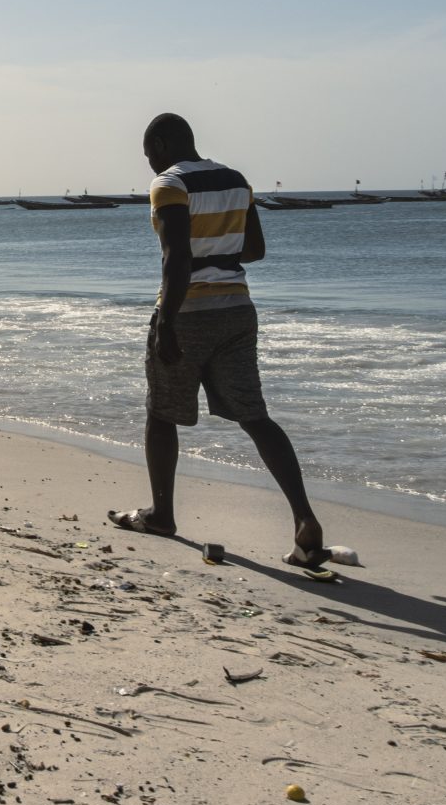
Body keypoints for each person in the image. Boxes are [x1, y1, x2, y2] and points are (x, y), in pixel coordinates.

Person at [108, 112, 332, 571]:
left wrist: (166, 323)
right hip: (237, 311)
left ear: (165, 144)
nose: (149, 162)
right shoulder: (236, 180)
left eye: (149, 152)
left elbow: (176, 258)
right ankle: (305, 521)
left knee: (161, 414)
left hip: (187, 312)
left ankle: (162, 515)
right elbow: (255, 251)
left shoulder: (169, 184)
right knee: (256, 417)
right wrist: (219, 243)